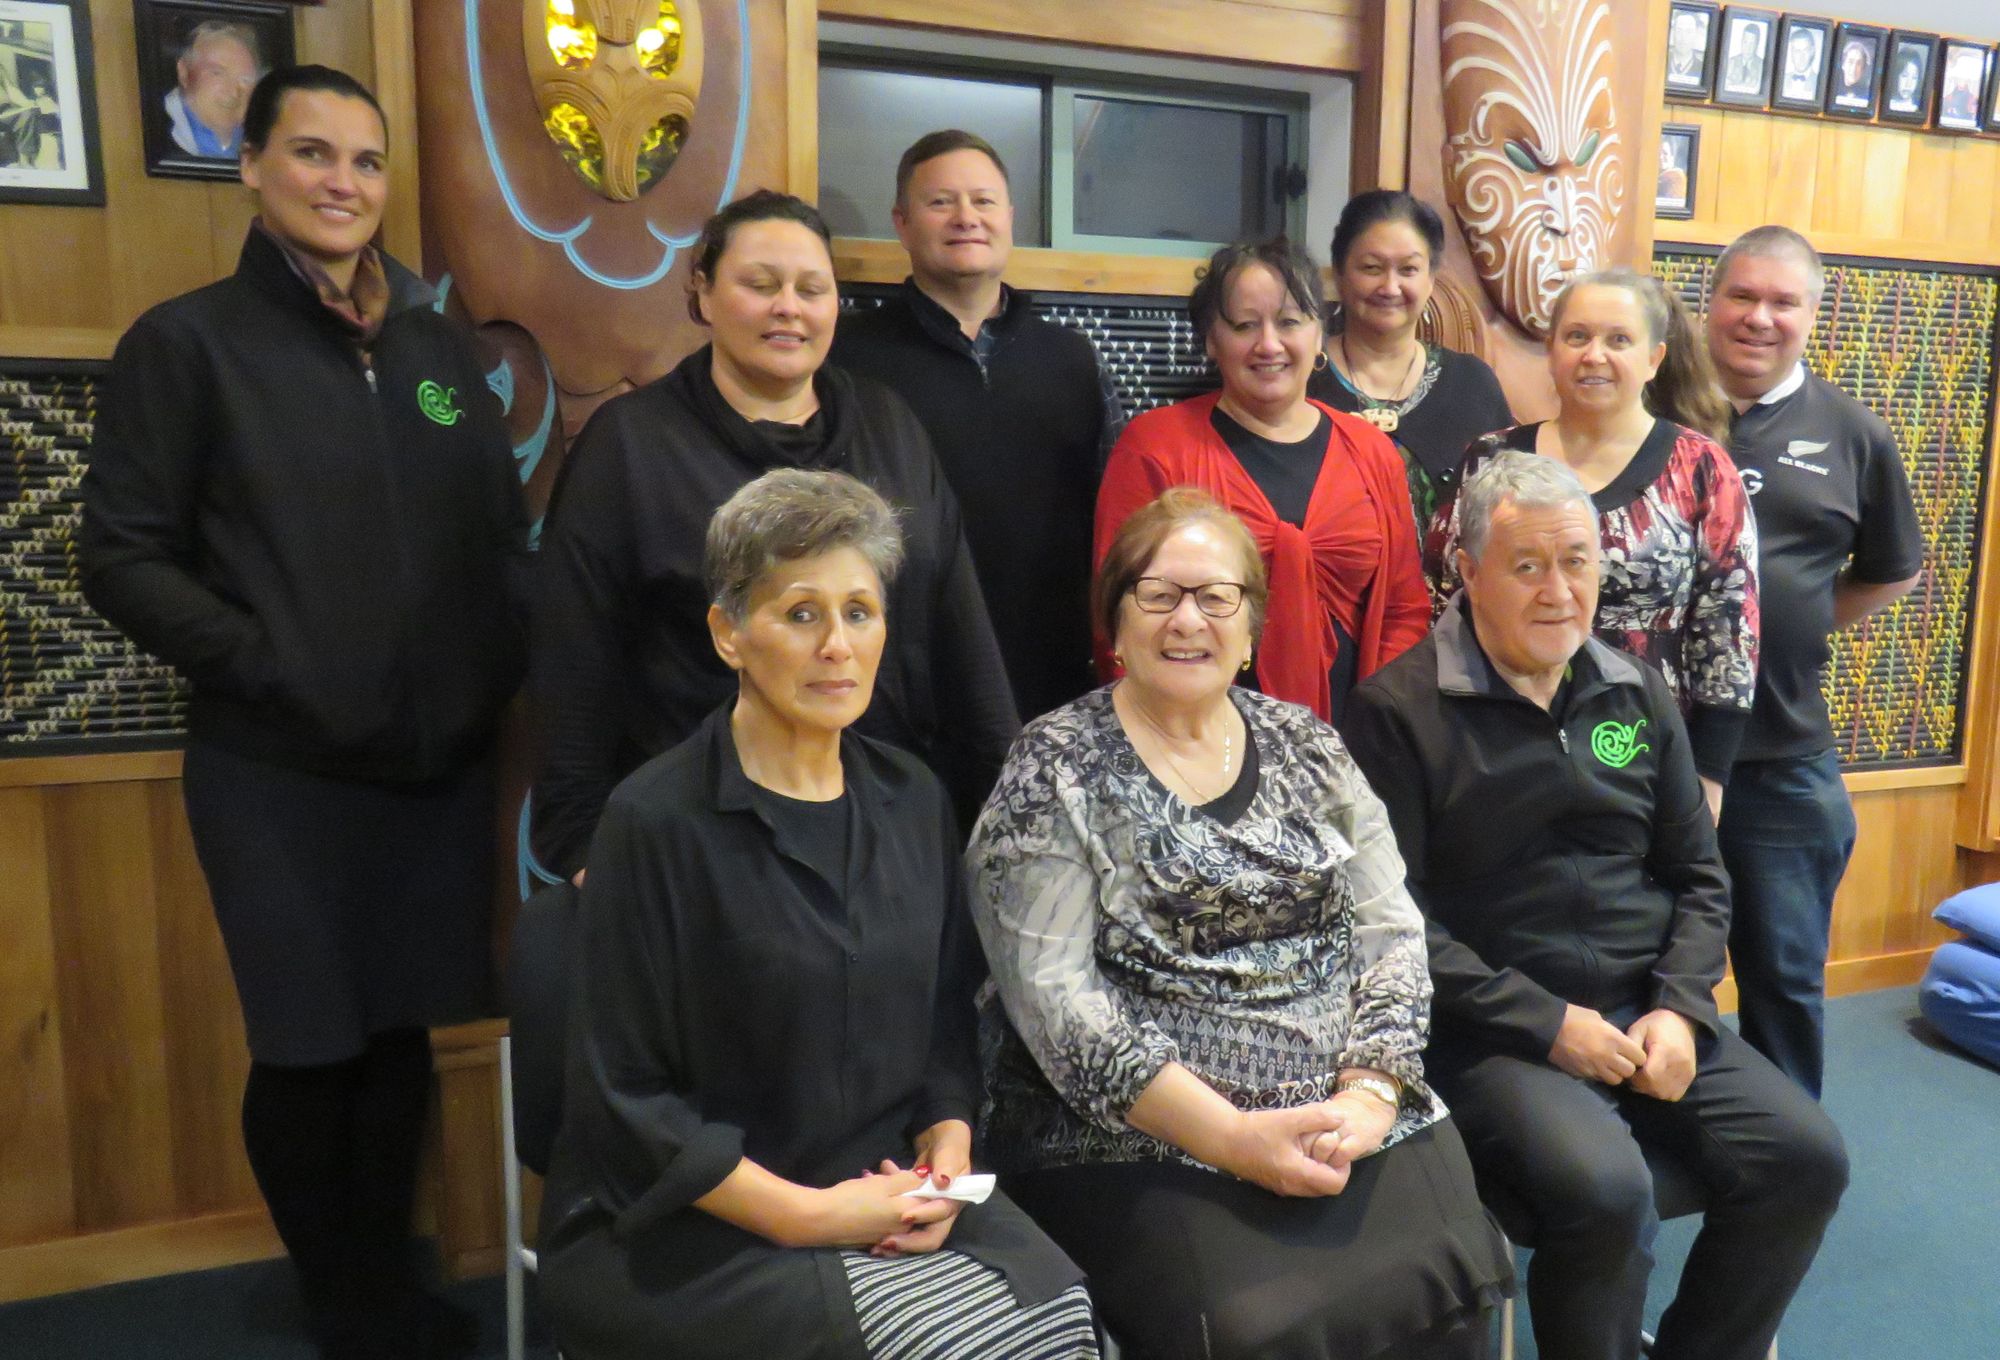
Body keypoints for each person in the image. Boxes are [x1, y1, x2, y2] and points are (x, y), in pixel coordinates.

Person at [79, 66, 526, 1360]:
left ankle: (385, 1282)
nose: (344, 183)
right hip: (276, 766)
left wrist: (487, 665)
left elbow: (496, 531)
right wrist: (271, 660)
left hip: (431, 764)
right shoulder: (190, 343)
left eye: (367, 161)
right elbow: (121, 557)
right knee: (310, 1041)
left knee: (399, 1033)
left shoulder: (438, 355)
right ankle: (339, 1301)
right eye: (315, 154)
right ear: (254, 169)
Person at [537, 469, 1096, 1360]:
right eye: (801, 615)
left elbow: (946, 1030)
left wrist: (946, 1163)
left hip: (880, 1184)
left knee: (1067, 1323)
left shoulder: (914, 798)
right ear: (728, 633)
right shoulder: (652, 822)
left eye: (860, 612)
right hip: (696, 1225)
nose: (838, 645)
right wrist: (808, 1217)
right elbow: (626, 1104)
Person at [968, 489, 1513, 1360]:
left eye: (1217, 597)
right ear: (1116, 620)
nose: (1189, 620)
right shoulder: (1054, 766)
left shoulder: (1309, 745)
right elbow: (1055, 1001)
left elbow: (1392, 933)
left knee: (1453, 1284)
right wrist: (1232, 1136)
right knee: (1258, 1328)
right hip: (1140, 1138)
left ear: (1251, 627)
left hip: (1349, 1112)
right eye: (1160, 595)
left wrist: (1370, 1091)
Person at [1344, 451, 1848, 1360]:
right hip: (1492, 1032)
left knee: (1807, 1158)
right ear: (1467, 572)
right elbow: (1396, 926)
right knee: (1609, 1192)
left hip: (1643, 1008)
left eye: (1577, 561)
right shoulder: (1396, 713)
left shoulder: (1634, 687)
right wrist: (1548, 1023)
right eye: (1527, 565)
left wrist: (1683, 1010)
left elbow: (1700, 874)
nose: (1558, 591)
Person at [530, 189, 1017, 880]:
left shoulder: (890, 426)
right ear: (702, 292)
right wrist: (580, 844)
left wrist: (1007, 803)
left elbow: (958, 626)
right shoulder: (631, 446)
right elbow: (572, 657)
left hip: (887, 821)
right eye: (761, 285)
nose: (788, 306)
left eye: (811, 289)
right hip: (703, 835)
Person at [1704, 226, 1923, 1096]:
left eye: (1782, 301)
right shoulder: (1656, 411)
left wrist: (1792, 622)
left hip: (1780, 761)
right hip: (1648, 755)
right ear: (1709, 303)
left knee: (1785, 982)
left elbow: (1895, 567)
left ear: (1811, 315)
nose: (1759, 317)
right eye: (1741, 296)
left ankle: (1785, 1171)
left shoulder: (1853, 433)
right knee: (1629, 974)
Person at [1429, 267, 1757, 820]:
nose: (1594, 355)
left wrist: (1708, 780)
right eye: (1576, 336)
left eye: (1618, 340)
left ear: (1654, 359)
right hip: (1496, 751)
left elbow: (1729, 633)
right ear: (1551, 351)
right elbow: (1441, 600)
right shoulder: (1489, 460)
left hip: (1647, 755)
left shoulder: (1701, 468)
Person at [830, 129, 1125, 722]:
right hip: (901, 683)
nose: (966, 217)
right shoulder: (849, 362)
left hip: (1058, 676)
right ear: (902, 222)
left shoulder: (1072, 358)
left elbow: (1117, 520)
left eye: (984, 201)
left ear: (1010, 217)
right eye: (941, 202)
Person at [1096, 238, 1429, 726]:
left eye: (1290, 322)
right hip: (1191, 740)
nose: (1269, 344)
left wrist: (1378, 731)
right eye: (1245, 324)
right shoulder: (1155, 448)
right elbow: (1117, 619)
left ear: (1319, 335)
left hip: (1354, 744)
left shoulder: (1372, 451)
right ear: (1212, 339)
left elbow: (1405, 611)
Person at [1309, 190, 1514, 544]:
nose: (1390, 287)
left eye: (1408, 269)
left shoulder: (1471, 384)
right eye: (1371, 268)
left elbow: (1506, 514)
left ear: (1431, 278)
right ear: (1340, 273)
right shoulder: (1302, 380)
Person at [166, 20, 262, 158]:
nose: (234, 92)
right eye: (217, 73)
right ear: (184, 73)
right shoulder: (156, 133)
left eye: (245, 79)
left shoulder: (263, 143)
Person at [1781, 26, 1822, 100]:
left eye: (1805, 50)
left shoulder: (1819, 83)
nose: (1801, 57)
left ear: (1812, 51)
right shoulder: (1781, 80)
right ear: (1791, 52)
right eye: (1797, 51)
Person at [1724, 21, 1766, 92]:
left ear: (1757, 44)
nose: (1747, 47)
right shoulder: (1731, 62)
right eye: (1745, 42)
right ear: (1741, 41)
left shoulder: (1762, 65)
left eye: (1751, 43)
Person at [1832, 38, 1873, 107]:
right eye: (1850, 62)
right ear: (1843, 64)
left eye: (1859, 63)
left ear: (1863, 68)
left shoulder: (1867, 94)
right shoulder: (1833, 87)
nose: (1854, 68)